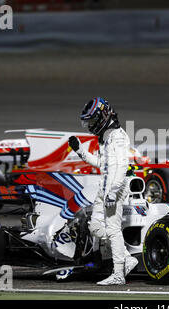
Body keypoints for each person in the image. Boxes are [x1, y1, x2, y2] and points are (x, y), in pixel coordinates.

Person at [68, 97, 138, 285]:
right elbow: (101, 164)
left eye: (91, 121)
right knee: (95, 226)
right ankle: (127, 259)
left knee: (113, 229)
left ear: (101, 117)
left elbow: (123, 167)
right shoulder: (106, 137)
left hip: (115, 188)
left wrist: (113, 192)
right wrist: (80, 151)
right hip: (105, 187)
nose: (90, 125)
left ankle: (118, 274)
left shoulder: (119, 136)